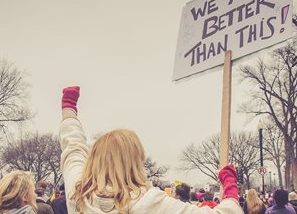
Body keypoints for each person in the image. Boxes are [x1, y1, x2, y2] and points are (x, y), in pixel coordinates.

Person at [59, 86, 242, 213]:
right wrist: (229, 184)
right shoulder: (147, 202)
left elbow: (73, 149)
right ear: (135, 162)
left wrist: (69, 111)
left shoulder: (78, 195)